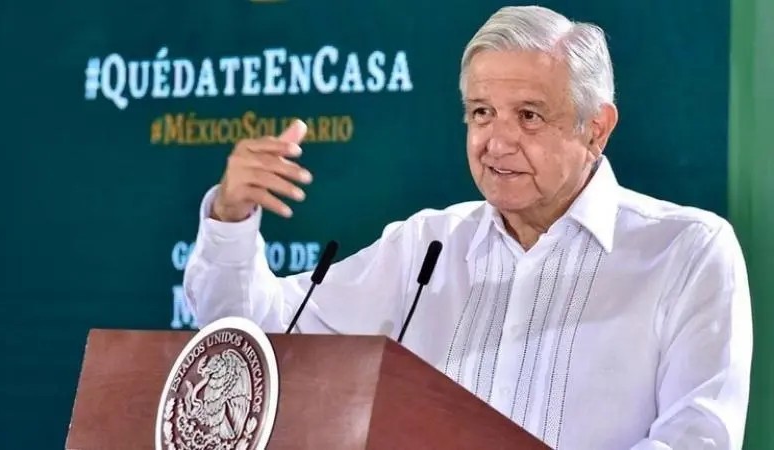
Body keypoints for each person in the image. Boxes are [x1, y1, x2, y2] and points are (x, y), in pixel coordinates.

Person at [183, 5, 752, 449]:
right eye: (482, 112)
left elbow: (697, 438)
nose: (496, 142)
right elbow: (257, 337)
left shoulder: (685, 252)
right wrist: (232, 219)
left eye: (528, 116)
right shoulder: (426, 247)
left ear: (595, 129)